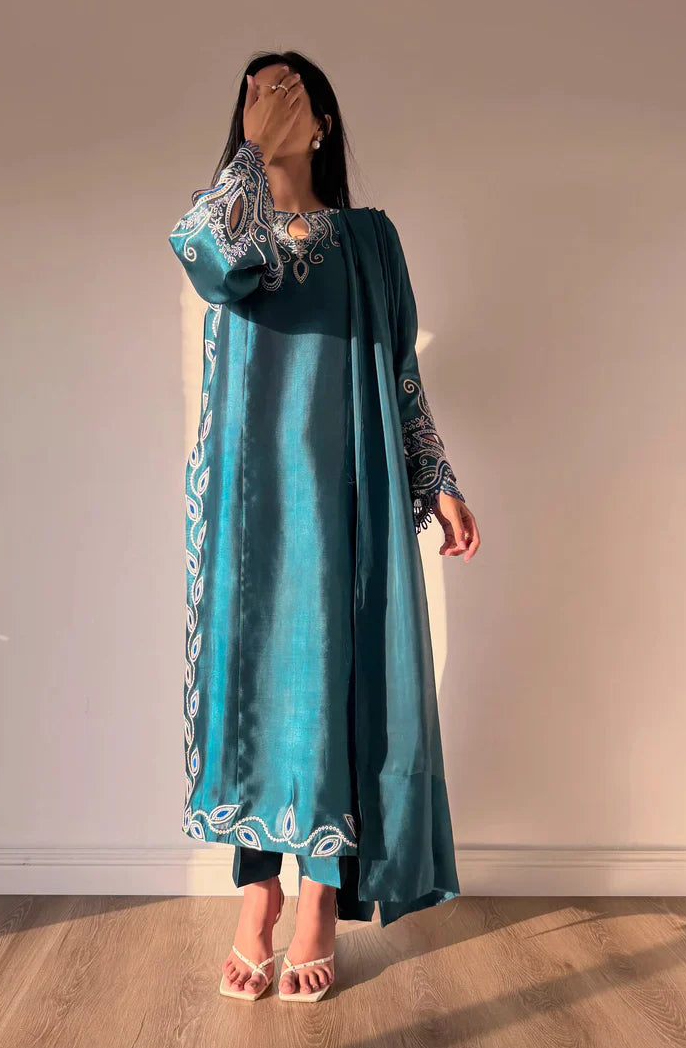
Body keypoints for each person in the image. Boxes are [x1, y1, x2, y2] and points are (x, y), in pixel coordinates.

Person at [169, 50, 481, 1003]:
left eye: (285, 91)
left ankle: (316, 897)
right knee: (255, 689)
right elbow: (204, 260)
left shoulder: (370, 239)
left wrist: (435, 477)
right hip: (249, 504)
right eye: (250, 95)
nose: (264, 104)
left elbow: (399, 369)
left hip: (349, 494)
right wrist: (248, 158)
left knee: (331, 686)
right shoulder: (235, 231)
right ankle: (256, 892)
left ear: (324, 120)